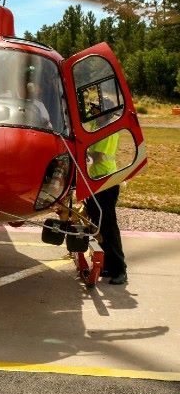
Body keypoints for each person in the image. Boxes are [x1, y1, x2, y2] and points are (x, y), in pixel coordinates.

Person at [84, 99, 126, 285]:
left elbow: (98, 157)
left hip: (107, 181)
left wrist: (82, 154)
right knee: (98, 223)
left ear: (105, 112)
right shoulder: (97, 125)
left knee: (108, 225)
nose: (93, 112)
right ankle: (108, 264)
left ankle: (120, 269)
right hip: (96, 181)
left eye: (96, 110)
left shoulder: (109, 129)